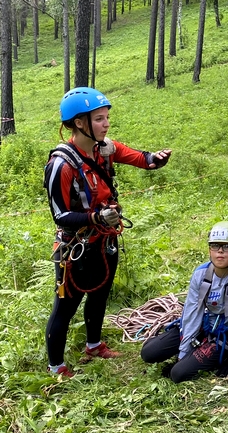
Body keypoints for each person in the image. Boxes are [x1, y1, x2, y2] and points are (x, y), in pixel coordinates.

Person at [44, 87, 172, 377]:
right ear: (80, 123)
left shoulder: (105, 149)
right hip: (75, 245)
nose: (107, 124)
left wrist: (155, 159)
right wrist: (95, 215)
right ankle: (56, 366)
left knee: (101, 292)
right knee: (66, 305)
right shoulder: (61, 165)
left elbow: (140, 157)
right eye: (100, 119)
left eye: (106, 117)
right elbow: (61, 215)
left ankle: (94, 345)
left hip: (105, 239)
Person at [140, 222, 228, 383]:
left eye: (227, 247)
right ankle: (193, 350)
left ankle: (219, 352)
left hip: (224, 334)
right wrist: (183, 352)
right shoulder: (201, 274)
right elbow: (191, 313)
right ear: (209, 250)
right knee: (149, 352)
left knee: (178, 374)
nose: (220, 251)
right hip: (202, 327)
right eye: (215, 246)